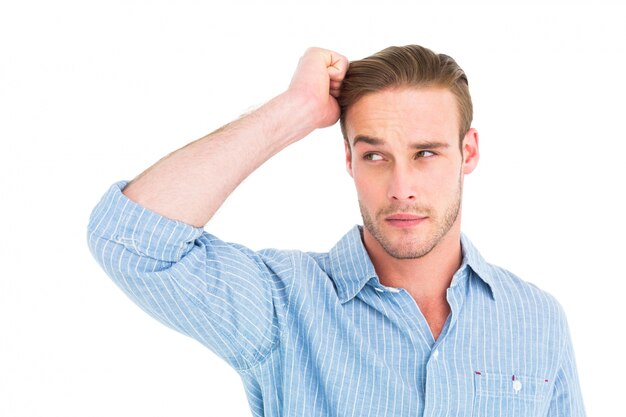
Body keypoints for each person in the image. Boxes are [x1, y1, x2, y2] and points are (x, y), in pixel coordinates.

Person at [87, 45, 585, 416]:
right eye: (375, 156)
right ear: (349, 159)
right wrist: (295, 111)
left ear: (468, 152)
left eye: (425, 153)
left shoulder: (535, 318)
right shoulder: (283, 303)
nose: (401, 187)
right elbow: (129, 238)